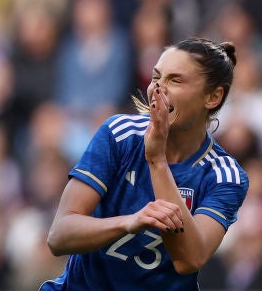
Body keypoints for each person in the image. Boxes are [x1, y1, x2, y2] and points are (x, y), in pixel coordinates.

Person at [43, 37, 250, 290]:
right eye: (156, 77)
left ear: (213, 97)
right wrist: (128, 222)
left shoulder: (224, 176)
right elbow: (59, 235)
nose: (158, 89)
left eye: (175, 80)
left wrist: (157, 160)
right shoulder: (119, 135)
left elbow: (190, 259)